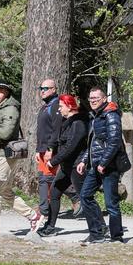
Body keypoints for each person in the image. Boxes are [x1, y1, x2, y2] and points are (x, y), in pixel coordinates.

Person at [0, 79, 42, 236]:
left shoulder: (10, 109)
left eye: (0, 92)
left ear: (7, 93)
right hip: (2, 154)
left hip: (4, 155)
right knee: (4, 191)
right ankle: (33, 216)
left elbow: (5, 133)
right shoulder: (2, 108)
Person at [76, 87, 125, 243]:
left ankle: (116, 237)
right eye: (91, 98)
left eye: (96, 98)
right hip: (94, 164)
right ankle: (97, 232)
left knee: (111, 204)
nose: (93, 101)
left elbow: (114, 142)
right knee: (85, 196)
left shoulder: (111, 115)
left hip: (108, 166)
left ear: (104, 99)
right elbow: (93, 144)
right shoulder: (96, 116)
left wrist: (104, 162)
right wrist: (84, 160)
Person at [37, 94, 88, 236]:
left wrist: (54, 161)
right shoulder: (67, 121)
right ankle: (50, 227)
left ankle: (99, 227)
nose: (59, 110)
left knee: (86, 198)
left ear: (70, 106)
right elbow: (59, 140)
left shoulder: (78, 123)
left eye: (61, 106)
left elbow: (71, 147)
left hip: (76, 166)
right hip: (66, 166)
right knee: (54, 193)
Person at [35, 79, 81, 221]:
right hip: (43, 148)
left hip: (51, 148)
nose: (42, 90)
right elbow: (42, 130)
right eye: (41, 88)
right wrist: (38, 149)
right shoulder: (45, 106)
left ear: (54, 89)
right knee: (45, 178)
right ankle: (45, 207)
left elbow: (56, 130)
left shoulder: (56, 105)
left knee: (47, 179)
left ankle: (44, 209)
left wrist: (50, 148)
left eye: (46, 88)